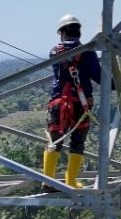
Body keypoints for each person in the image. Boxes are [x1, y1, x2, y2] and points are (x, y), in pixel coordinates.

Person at [43, 14, 102, 190]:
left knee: (55, 141)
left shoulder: (54, 51)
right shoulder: (88, 52)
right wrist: (118, 85)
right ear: (79, 32)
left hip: (59, 102)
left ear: (62, 32)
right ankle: (70, 181)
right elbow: (98, 76)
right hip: (80, 104)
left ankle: (48, 180)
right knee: (77, 142)